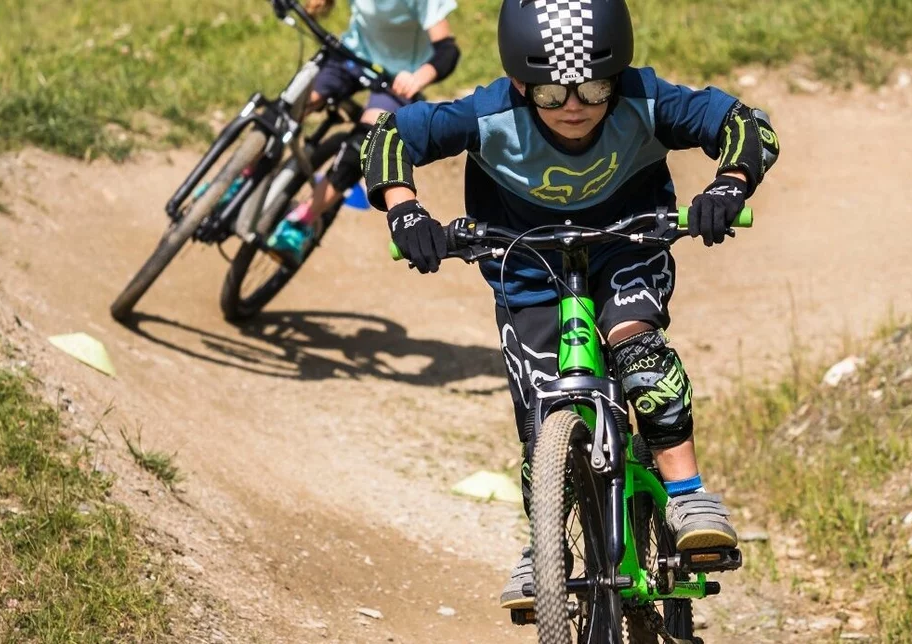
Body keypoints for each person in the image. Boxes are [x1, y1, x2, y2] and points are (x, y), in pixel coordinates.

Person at [359, 0, 779, 610]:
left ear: (618, 76)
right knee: (539, 411)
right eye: (552, 94)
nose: (575, 105)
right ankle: (546, 544)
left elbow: (746, 125)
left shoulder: (647, 100)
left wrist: (727, 185)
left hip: (627, 252)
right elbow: (389, 135)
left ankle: (688, 494)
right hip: (525, 269)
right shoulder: (488, 113)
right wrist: (404, 208)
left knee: (638, 349)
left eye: (593, 86)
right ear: (519, 84)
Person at [262, 0, 461, 264]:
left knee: (367, 140)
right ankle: (243, 175)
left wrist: (419, 77)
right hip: (352, 56)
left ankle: (302, 221)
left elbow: (448, 49)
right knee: (291, 103)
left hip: (397, 79)